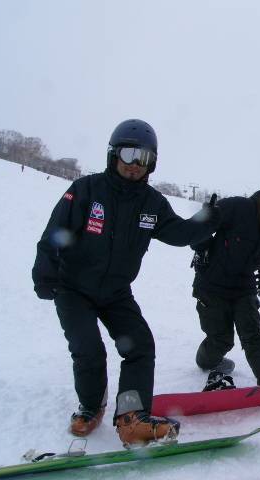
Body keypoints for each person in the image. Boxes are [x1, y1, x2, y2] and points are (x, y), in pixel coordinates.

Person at [32, 119, 220, 447]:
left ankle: (131, 418)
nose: (135, 164)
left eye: (144, 158)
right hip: (72, 288)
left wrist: (207, 220)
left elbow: (180, 233)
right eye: (129, 154)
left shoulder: (152, 203)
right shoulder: (86, 189)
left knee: (140, 346)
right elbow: (55, 233)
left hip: (116, 292)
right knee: (88, 349)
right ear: (113, 154)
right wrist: (45, 273)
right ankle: (91, 407)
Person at [191, 175, 260, 389]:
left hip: (244, 287)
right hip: (212, 283)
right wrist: (201, 247)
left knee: (252, 332)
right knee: (221, 338)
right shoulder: (238, 207)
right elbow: (200, 224)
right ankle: (205, 361)